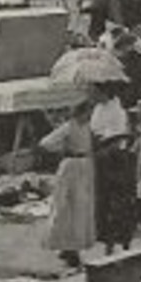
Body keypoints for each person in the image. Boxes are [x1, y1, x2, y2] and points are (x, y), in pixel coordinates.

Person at [41, 100, 96, 269]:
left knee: (82, 208)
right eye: (86, 112)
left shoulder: (90, 127)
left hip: (86, 165)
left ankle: (73, 246)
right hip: (71, 165)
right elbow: (46, 143)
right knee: (66, 207)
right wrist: (62, 148)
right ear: (79, 112)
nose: (89, 116)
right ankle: (68, 247)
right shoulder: (69, 127)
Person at [90, 83, 137, 255]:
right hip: (101, 154)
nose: (91, 95)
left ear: (103, 91)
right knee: (102, 199)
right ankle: (106, 238)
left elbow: (119, 135)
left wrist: (103, 139)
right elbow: (94, 129)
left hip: (114, 155)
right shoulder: (98, 109)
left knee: (116, 199)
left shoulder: (117, 110)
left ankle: (121, 238)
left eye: (94, 91)